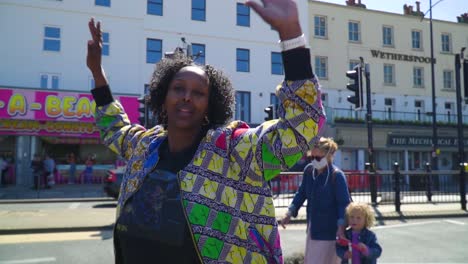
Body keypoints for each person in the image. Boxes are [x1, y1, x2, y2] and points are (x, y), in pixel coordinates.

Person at [86, 0, 326, 263]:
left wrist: (290, 35)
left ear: (211, 105)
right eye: (178, 88)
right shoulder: (146, 145)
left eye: (199, 93)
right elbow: (114, 128)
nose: (187, 97)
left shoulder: (233, 150)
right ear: (163, 96)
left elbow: (299, 128)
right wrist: (97, 72)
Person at [280, 137, 351, 264]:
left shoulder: (337, 176)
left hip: (330, 231)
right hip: (313, 229)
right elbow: (301, 193)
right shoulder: (308, 170)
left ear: (329, 156)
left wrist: (341, 228)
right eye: (311, 157)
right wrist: (289, 212)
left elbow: (344, 204)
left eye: (318, 158)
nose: (314, 161)